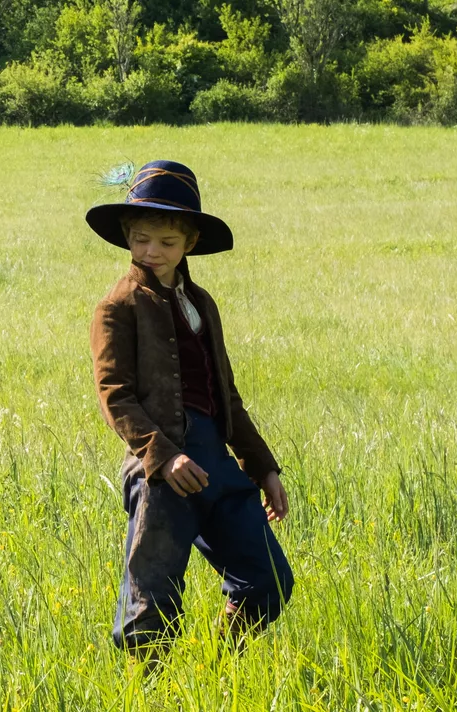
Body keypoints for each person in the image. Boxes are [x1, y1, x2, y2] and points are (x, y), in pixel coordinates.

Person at [86, 160, 292, 663]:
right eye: (140, 239)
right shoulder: (118, 305)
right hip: (162, 471)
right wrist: (163, 455)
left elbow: (228, 397)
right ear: (126, 237)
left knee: (268, 579)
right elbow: (114, 393)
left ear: (190, 243)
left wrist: (262, 467)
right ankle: (151, 692)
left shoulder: (202, 302)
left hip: (216, 465)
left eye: (166, 242)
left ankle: (219, 669)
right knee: (150, 599)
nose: (151, 251)